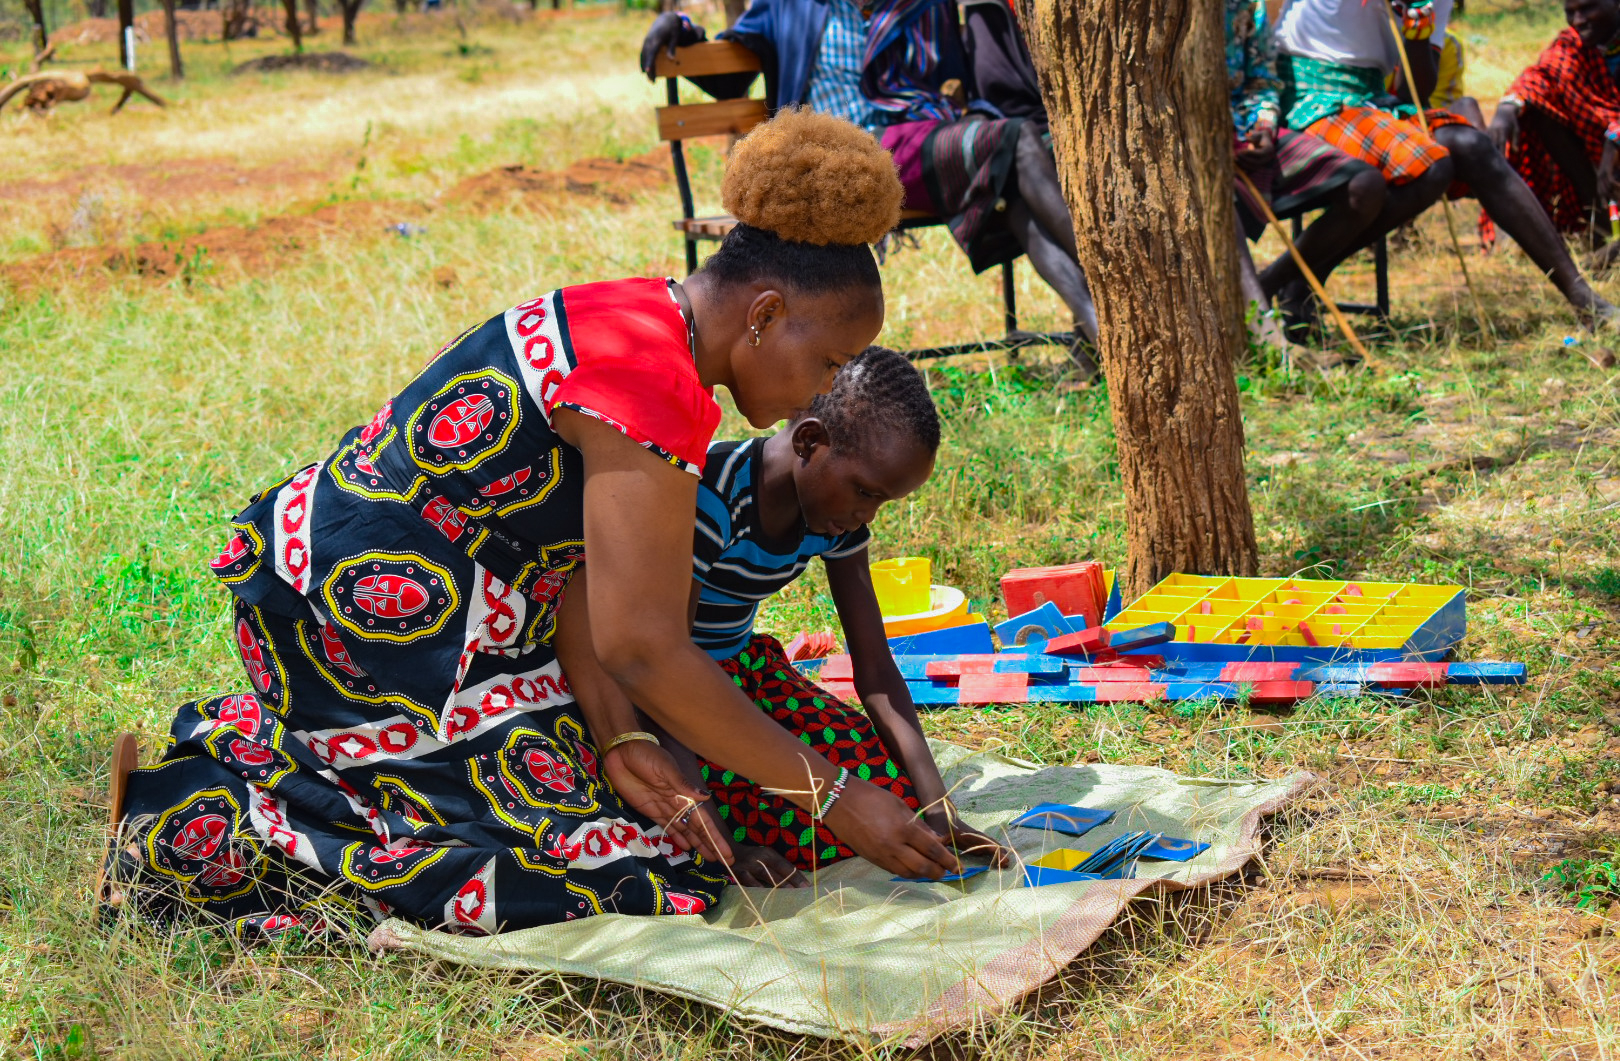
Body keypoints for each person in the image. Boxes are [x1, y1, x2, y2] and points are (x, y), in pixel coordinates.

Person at [105, 110, 964, 938]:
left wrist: (619, 733)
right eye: (827, 362)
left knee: (663, 824)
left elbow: (583, 573)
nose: (821, 391)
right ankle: (184, 831)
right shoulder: (654, 388)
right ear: (766, 314)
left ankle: (312, 767)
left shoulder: (635, 318)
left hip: (401, 605)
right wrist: (834, 796)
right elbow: (647, 649)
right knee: (622, 878)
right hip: (356, 620)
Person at [678, 348, 1007, 886]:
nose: (864, 516)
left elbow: (875, 670)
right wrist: (725, 845)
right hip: (675, 696)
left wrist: (939, 809)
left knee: (890, 803)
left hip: (746, 675)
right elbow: (662, 665)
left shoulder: (834, 519)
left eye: (881, 503)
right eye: (864, 493)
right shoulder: (713, 499)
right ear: (809, 442)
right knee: (818, 828)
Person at [640, 0, 1102, 366]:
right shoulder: (791, 5)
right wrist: (678, 24)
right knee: (1015, 143)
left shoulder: (922, 3)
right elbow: (731, 80)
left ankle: (1103, 332)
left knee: (1014, 176)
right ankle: (1112, 292)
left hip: (920, 146)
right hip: (838, 161)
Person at [1275, 0, 1618, 324]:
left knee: (1469, 145)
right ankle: (1284, 280)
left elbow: (1415, 92)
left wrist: (1417, 26)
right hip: (1307, 96)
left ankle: (1582, 298)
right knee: (1429, 165)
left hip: (1372, 101)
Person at [1225, 0, 1386, 341]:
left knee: (1365, 185)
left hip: (1248, 137)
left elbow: (1262, 81)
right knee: (1221, 210)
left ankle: (1279, 284)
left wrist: (1264, 125)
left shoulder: (1245, 5)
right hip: (1187, 148)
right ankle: (1265, 337)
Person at [1488, 0, 1620, 260]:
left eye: (1587, 8)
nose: (1578, 20)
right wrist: (1508, 108)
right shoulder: (1573, 44)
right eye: (1570, 12)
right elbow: (1541, 77)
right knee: (1539, 110)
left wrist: (1615, 137)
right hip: (1597, 169)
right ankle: (1597, 220)